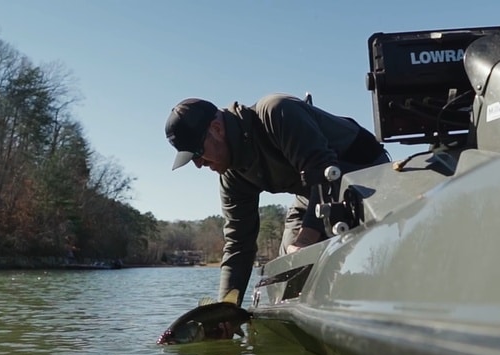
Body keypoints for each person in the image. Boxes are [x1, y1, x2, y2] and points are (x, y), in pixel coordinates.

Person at [165, 93, 389, 315]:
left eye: (197, 153)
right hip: (311, 195)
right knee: (285, 279)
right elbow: (238, 245)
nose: (198, 164)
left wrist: (305, 241)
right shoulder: (231, 175)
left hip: (363, 175)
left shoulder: (276, 112)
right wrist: (225, 311)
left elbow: (325, 173)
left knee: (303, 255)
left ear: (217, 129)